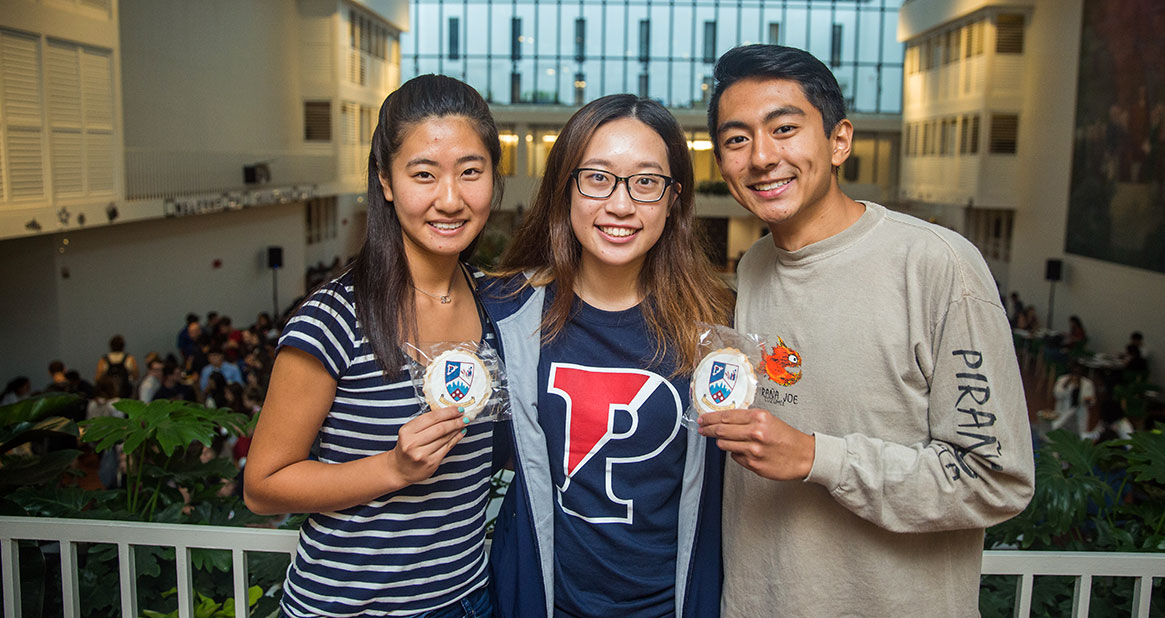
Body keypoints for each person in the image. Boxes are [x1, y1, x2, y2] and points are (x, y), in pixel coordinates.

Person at [695, 45, 1034, 618]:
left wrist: (815, 457)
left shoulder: (936, 265)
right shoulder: (753, 266)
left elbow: (994, 479)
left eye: (784, 129)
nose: (761, 157)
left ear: (839, 141)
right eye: (736, 139)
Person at [244, 74, 502, 618]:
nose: (450, 199)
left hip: (469, 598)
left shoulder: (495, 305)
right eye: (424, 174)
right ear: (386, 181)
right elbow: (262, 486)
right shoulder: (332, 319)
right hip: (349, 607)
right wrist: (393, 469)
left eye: (470, 172)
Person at [483, 94, 731, 618]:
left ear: (673, 199)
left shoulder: (717, 327)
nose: (620, 205)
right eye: (597, 177)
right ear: (564, 188)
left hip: (674, 603)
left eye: (645, 182)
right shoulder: (505, 311)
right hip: (542, 599)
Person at [1047, 362, 1097, 436]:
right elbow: (1057, 394)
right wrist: (1066, 385)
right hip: (1063, 411)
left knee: (1079, 434)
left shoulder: (1087, 383)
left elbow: (1092, 401)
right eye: (1074, 372)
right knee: (1059, 431)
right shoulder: (1062, 380)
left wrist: (1087, 400)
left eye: (1078, 373)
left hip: (1079, 413)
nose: (1076, 375)